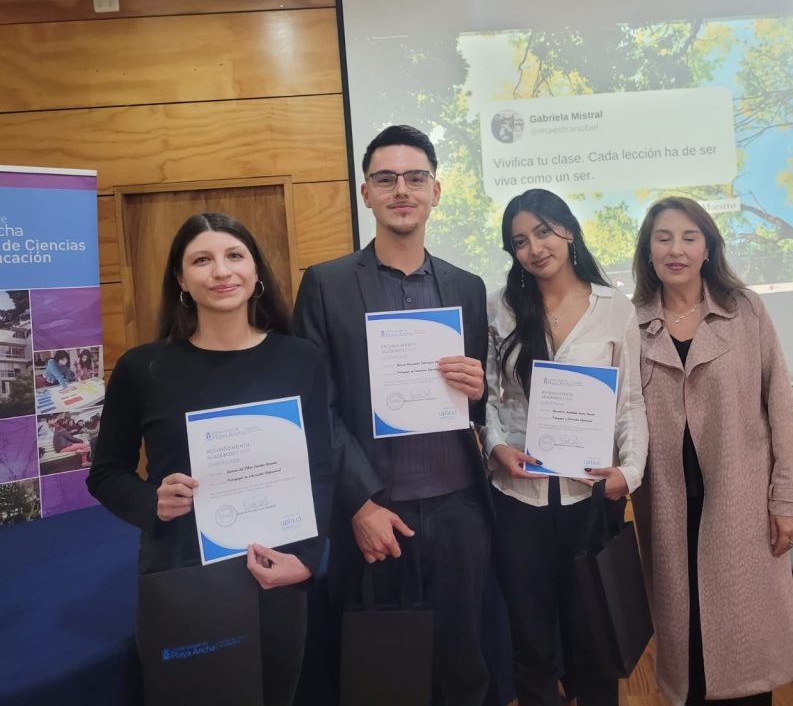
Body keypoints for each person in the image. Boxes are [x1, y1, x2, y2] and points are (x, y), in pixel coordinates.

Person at [87, 212, 332, 706]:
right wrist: (150, 502)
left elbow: (321, 469)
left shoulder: (301, 359)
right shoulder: (143, 368)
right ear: (181, 279)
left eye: (234, 256)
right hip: (182, 575)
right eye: (202, 260)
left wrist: (306, 562)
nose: (221, 271)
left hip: (277, 573)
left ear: (257, 272)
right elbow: (106, 473)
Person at [293, 125, 491, 705]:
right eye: (386, 178)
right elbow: (316, 406)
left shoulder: (468, 287)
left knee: (464, 667)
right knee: (381, 675)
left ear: (436, 190)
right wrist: (357, 502)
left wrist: (477, 389)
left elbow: (474, 401)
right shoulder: (325, 286)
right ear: (366, 193)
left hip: (461, 511)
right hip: (374, 514)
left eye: (415, 177)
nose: (401, 189)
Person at [629, 197, 793, 705]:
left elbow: (780, 405)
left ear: (709, 248)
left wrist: (787, 499)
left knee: (745, 645)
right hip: (669, 506)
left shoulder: (745, 311)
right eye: (663, 237)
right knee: (686, 641)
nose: (676, 249)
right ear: (647, 251)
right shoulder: (630, 324)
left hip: (739, 504)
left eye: (689, 237)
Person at [484, 189, 648, 706]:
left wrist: (631, 472)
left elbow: (632, 403)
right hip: (518, 500)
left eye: (544, 231)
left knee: (595, 640)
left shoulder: (613, 307)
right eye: (520, 240)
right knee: (530, 642)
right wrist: (495, 447)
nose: (534, 248)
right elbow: (488, 397)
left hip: (591, 499)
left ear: (569, 231)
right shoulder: (500, 307)